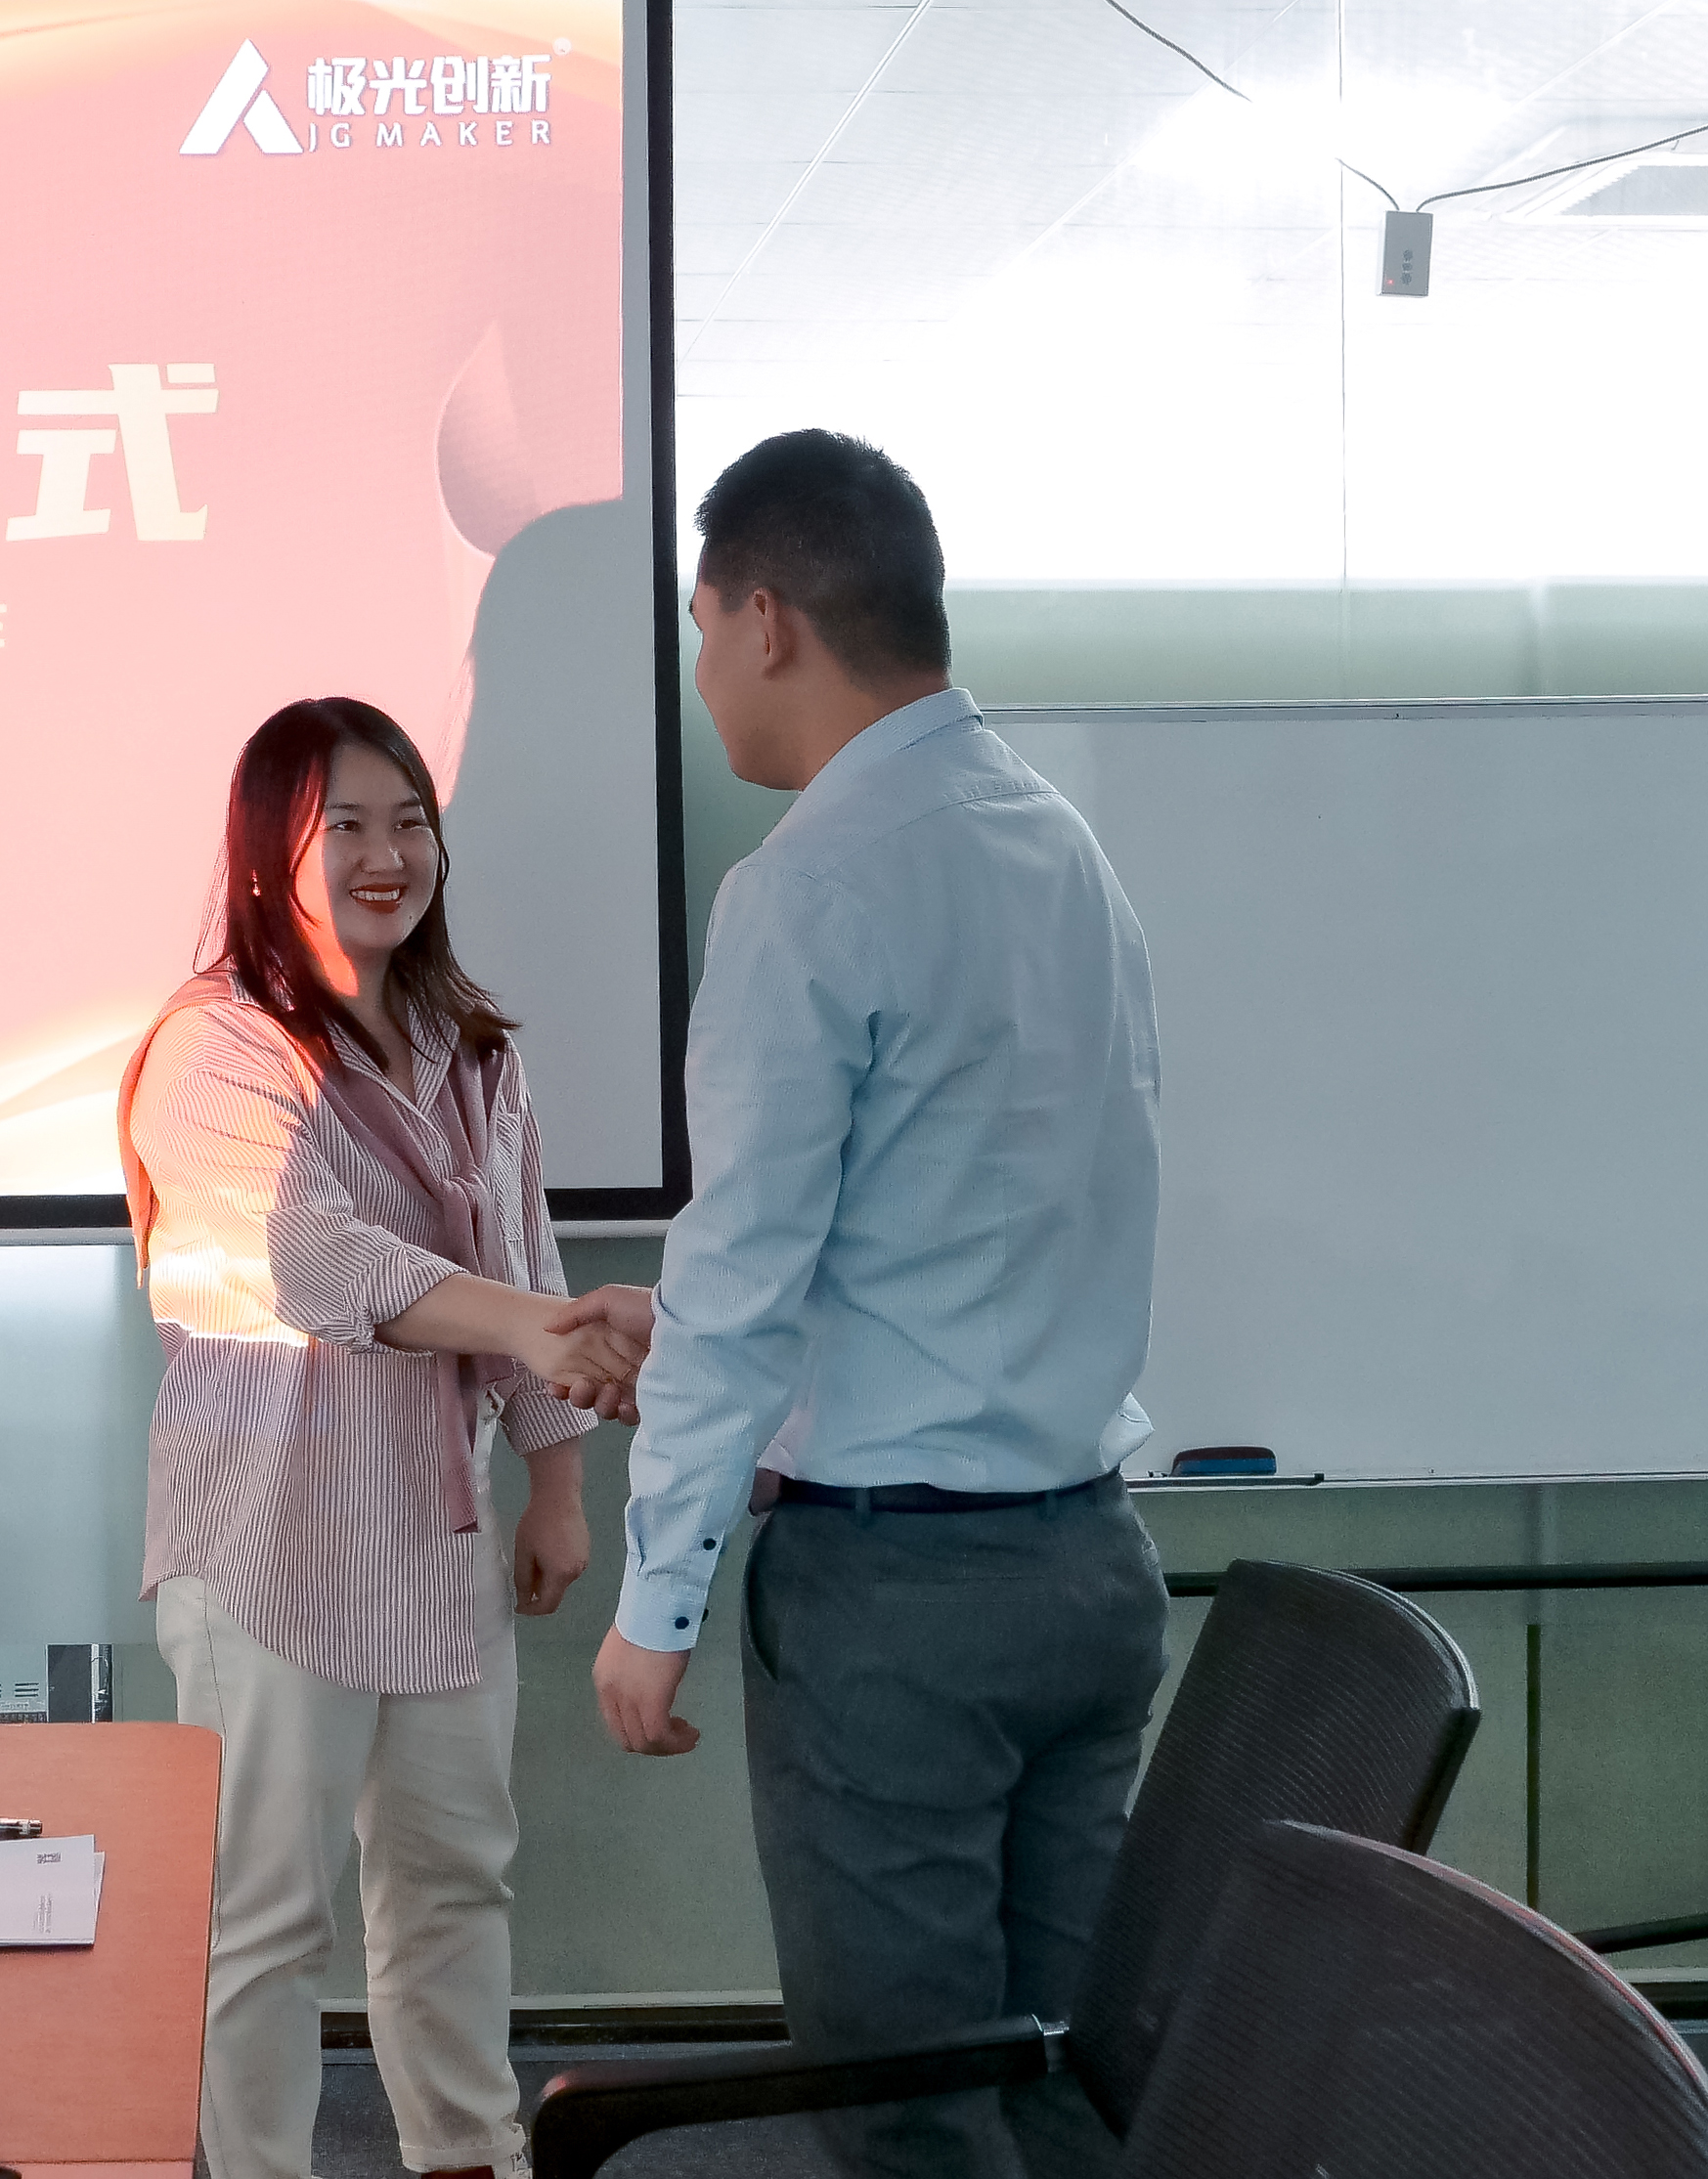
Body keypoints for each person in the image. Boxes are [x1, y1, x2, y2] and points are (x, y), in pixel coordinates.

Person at [561, 432, 1169, 2178]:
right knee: (1068, 2082)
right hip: (1087, 1566)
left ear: (767, 619)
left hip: (902, 1603)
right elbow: (991, 1211)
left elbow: (747, 1272)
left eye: (699, 629)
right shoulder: (1064, 846)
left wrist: (655, 1600)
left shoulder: (810, 884)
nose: (700, 674)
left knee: (905, 2110)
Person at [123, 695, 643, 2179]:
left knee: (455, 1878)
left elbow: (530, 1251)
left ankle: (469, 2158)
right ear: (263, 854)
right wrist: (532, 1327)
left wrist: (556, 1482)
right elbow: (316, 1259)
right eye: (343, 824)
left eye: (410, 821)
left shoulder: (470, 1047)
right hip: (270, 1542)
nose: (386, 854)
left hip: (436, 1535)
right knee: (266, 1915)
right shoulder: (215, 1046)